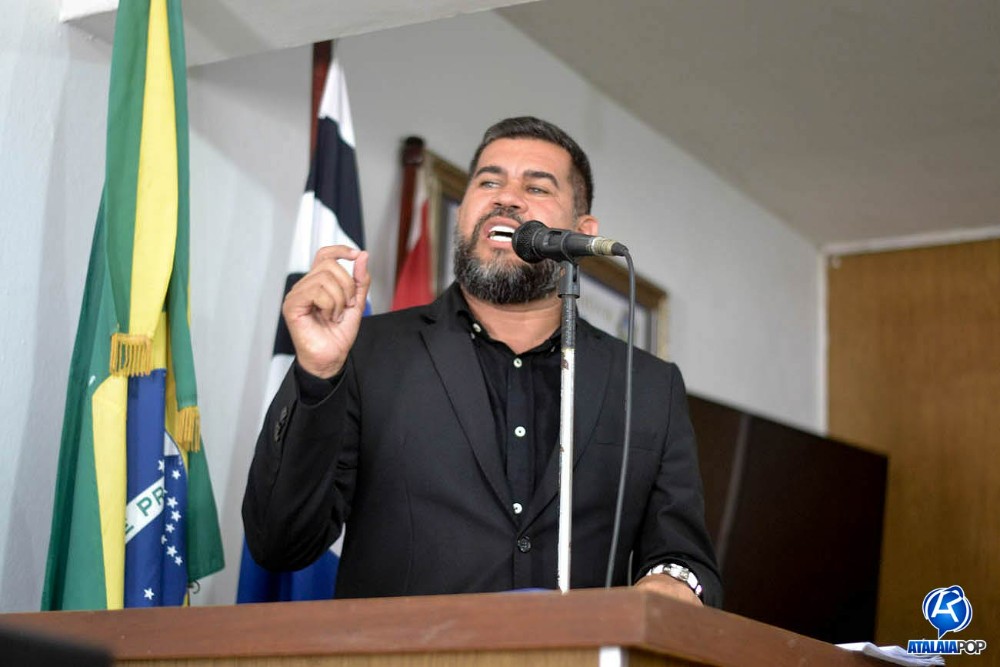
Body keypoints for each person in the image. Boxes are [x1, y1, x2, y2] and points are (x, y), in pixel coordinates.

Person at [243, 116, 721, 606]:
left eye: (536, 187)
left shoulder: (647, 385)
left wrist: (674, 581)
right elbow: (279, 542)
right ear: (464, 212)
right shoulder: (368, 352)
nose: (506, 197)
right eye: (489, 182)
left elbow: (684, 555)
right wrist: (318, 375)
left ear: (582, 232)